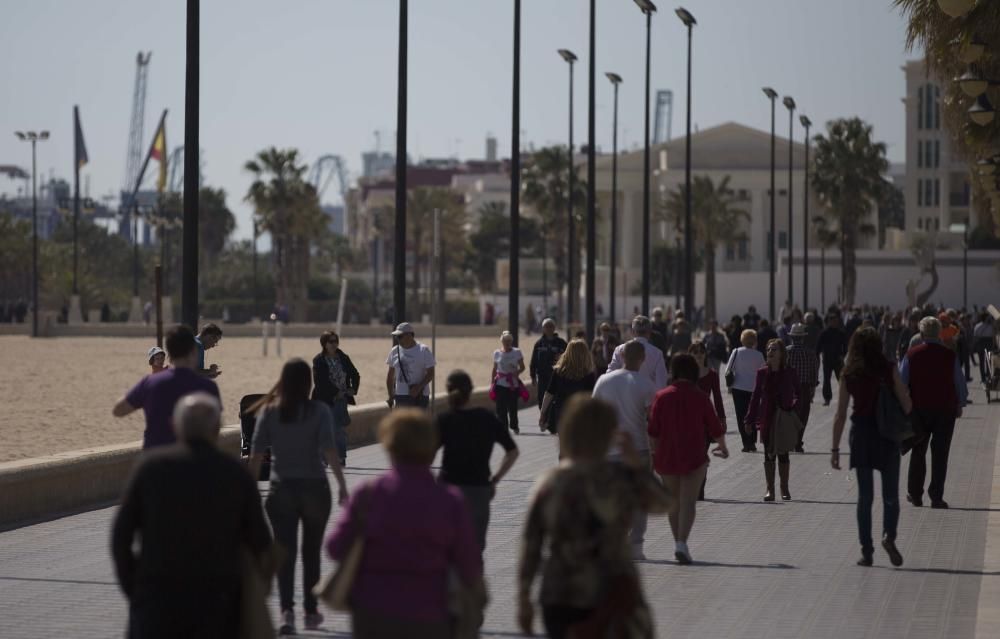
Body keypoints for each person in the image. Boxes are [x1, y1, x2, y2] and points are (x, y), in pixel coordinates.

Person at [111, 393, 272, 639]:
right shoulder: (235, 474)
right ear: (217, 429)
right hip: (218, 603)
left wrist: (134, 587)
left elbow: (120, 537)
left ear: (175, 427)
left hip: (157, 600)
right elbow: (260, 541)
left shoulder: (150, 468)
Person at [518, 395, 670, 639]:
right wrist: (638, 467)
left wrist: (523, 597)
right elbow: (663, 504)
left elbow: (531, 544)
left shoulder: (550, 483)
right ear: (609, 433)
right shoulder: (619, 479)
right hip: (611, 590)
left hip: (561, 594)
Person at [326, 409, 481, 638]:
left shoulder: (368, 495)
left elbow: (335, 547)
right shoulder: (450, 501)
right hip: (430, 615)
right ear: (431, 447)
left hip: (373, 613)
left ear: (390, 446)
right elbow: (470, 564)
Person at [248, 359, 349, 635]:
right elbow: (330, 450)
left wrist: (248, 492)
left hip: (282, 491)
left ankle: (286, 612)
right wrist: (341, 485)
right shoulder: (319, 411)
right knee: (311, 552)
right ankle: (311, 611)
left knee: (285, 554)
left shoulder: (269, 413)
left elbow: (256, 456)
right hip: (315, 488)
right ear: (309, 383)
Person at [830, 327, 912, 567]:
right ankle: (889, 536)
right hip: (887, 435)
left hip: (862, 436)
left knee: (864, 497)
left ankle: (867, 551)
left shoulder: (849, 373)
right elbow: (907, 404)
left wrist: (835, 449)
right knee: (890, 496)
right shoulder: (888, 369)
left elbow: (840, 415)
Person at [648, 353, 729, 564]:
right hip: (694, 455)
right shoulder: (700, 396)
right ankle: (682, 543)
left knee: (673, 503)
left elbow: (653, 430)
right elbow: (714, 426)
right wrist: (722, 446)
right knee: (688, 502)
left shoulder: (661, 396)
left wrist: (655, 454)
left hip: (667, 455)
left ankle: (679, 543)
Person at [436, 370, 520, 552]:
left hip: (448, 490)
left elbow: (423, 455)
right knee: (474, 549)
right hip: (479, 490)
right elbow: (512, 452)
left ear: (448, 390)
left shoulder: (445, 420)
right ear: (471, 391)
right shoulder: (487, 418)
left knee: (447, 547)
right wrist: (495, 479)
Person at [592, 340, 657, 559]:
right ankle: (635, 545)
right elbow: (652, 421)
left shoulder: (604, 380)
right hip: (638, 449)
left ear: (621, 356)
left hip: (608, 451)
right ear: (642, 359)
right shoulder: (647, 384)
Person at [113, 325, 221, 449]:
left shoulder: (150, 382)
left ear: (169, 354)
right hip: (191, 459)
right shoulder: (208, 387)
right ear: (193, 352)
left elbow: (118, 410)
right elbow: (214, 429)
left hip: (155, 459)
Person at [899, 316, 968, 509]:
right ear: (939, 333)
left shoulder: (912, 355)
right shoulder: (949, 355)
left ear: (921, 334)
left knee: (918, 451)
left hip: (919, 410)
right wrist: (960, 403)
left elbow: (902, 382)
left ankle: (915, 494)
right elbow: (959, 381)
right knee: (940, 453)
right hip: (945, 410)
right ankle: (936, 496)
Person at [746, 339, 799, 501]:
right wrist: (749, 419)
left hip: (783, 416)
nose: (770, 351)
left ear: (782, 353)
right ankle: (770, 489)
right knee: (768, 452)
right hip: (767, 417)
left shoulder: (789, 372)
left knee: (783, 452)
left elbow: (799, 393)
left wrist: (792, 409)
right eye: (768, 349)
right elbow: (755, 397)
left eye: (774, 349)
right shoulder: (762, 373)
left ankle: (785, 487)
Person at [312, 330, 361, 467]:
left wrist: (352, 389)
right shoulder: (319, 360)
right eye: (331, 342)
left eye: (336, 341)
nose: (334, 344)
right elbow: (320, 381)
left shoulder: (343, 357)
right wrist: (336, 392)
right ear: (324, 343)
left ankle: (340, 457)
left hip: (341, 400)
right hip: (324, 399)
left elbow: (355, 374)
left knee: (339, 429)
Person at [688, 341, 727, 500]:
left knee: (701, 456)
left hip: (704, 421)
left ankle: (699, 490)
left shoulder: (711, 375)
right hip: (686, 420)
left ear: (705, 354)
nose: (698, 354)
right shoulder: (685, 374)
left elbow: (717, 398)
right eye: (695, 352)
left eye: (701, 352)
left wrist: (722, 419)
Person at [539, 339, 597, 435]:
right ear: (585, 354)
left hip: (562, 412)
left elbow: (549, 393)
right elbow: (592, 396)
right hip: (581, 413)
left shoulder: (558, 371)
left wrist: (543, 413)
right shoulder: (588, 374)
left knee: (565, 445)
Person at [725, 329, 765, 453]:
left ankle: (745, 443)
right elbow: (763, 370)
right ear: (754, 341)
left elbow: (728, 369)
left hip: (738, 387)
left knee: (740, 415)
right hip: (754, 388)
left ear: (742, 339)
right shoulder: (759, 355)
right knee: (752, 415)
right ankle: (752, 442)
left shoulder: (736, 351)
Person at [607, 315, 668, 389]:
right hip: (648, 397)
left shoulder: (619, 349)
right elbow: (661, 383)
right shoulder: (657, 353)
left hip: (624, 395)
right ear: (649, 332)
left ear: (632, 332)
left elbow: (610, 375)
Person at [385, 322, 436, 409]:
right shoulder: (394, 351)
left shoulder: (423, 350)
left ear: (409, 335)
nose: (398, 339)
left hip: (420, 396)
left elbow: (431, 373)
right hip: (401, 396)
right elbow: (390, 375)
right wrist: (390, 395)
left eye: (400, 336)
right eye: (396, 337)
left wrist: (419, 387)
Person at [786, 323, 820, 453]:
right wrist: (812, 388)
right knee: (803, 416)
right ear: (803, 337)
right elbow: (814, 373)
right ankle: (798, 442)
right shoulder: (811, 353)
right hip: (805, 388)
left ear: (792, 337)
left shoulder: (787, 351)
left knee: (789, 415)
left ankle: (790, 440)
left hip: (789, 388)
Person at [492, 330, 526, 433]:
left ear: (511, 341)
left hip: (513, 385)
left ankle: (514, 426)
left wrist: (517, 372)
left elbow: (523, 367)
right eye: (505, 341)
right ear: (502, 342)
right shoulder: (497, 353)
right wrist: (492, 382)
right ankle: (503, 428)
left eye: (509, 341)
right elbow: (494, 369)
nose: (507, 343)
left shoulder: (517, 352)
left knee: (512, 407)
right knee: (501, 409)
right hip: (500, 384)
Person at [529, 318, 568, 409]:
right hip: (542, 378)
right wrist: (533, 376)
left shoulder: (561, 343)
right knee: (542, 399)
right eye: (546, 326)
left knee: (556, 400)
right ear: (543, 328)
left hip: (557, 376)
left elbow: (568, 358)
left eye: (551, 326)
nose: (549, 328)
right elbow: (534, 361)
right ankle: (544, 419)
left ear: (554, 328)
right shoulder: (539, 344)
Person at [817, 313, 848, 406]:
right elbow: (818, 346)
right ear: (829, 322)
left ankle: (844, 397)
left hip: (838, 360)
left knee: (841, 380)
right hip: (827, 360)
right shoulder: (824, 333)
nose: (834, 323)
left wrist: (843, 355)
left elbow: (845, 346)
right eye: (833, 321)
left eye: (836, 321)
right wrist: (817, 355)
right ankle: (827, 398)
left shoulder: (840, 333)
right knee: (826, 380)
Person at [973, 312, 996, 384]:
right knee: (988, 361)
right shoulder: (990, 326)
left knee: (981, 362)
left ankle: (983, 378)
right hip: (988, 344)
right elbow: (993, 335)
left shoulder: (977, 326)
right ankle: (988, 376)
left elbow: (975, 335)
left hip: (980, 344)